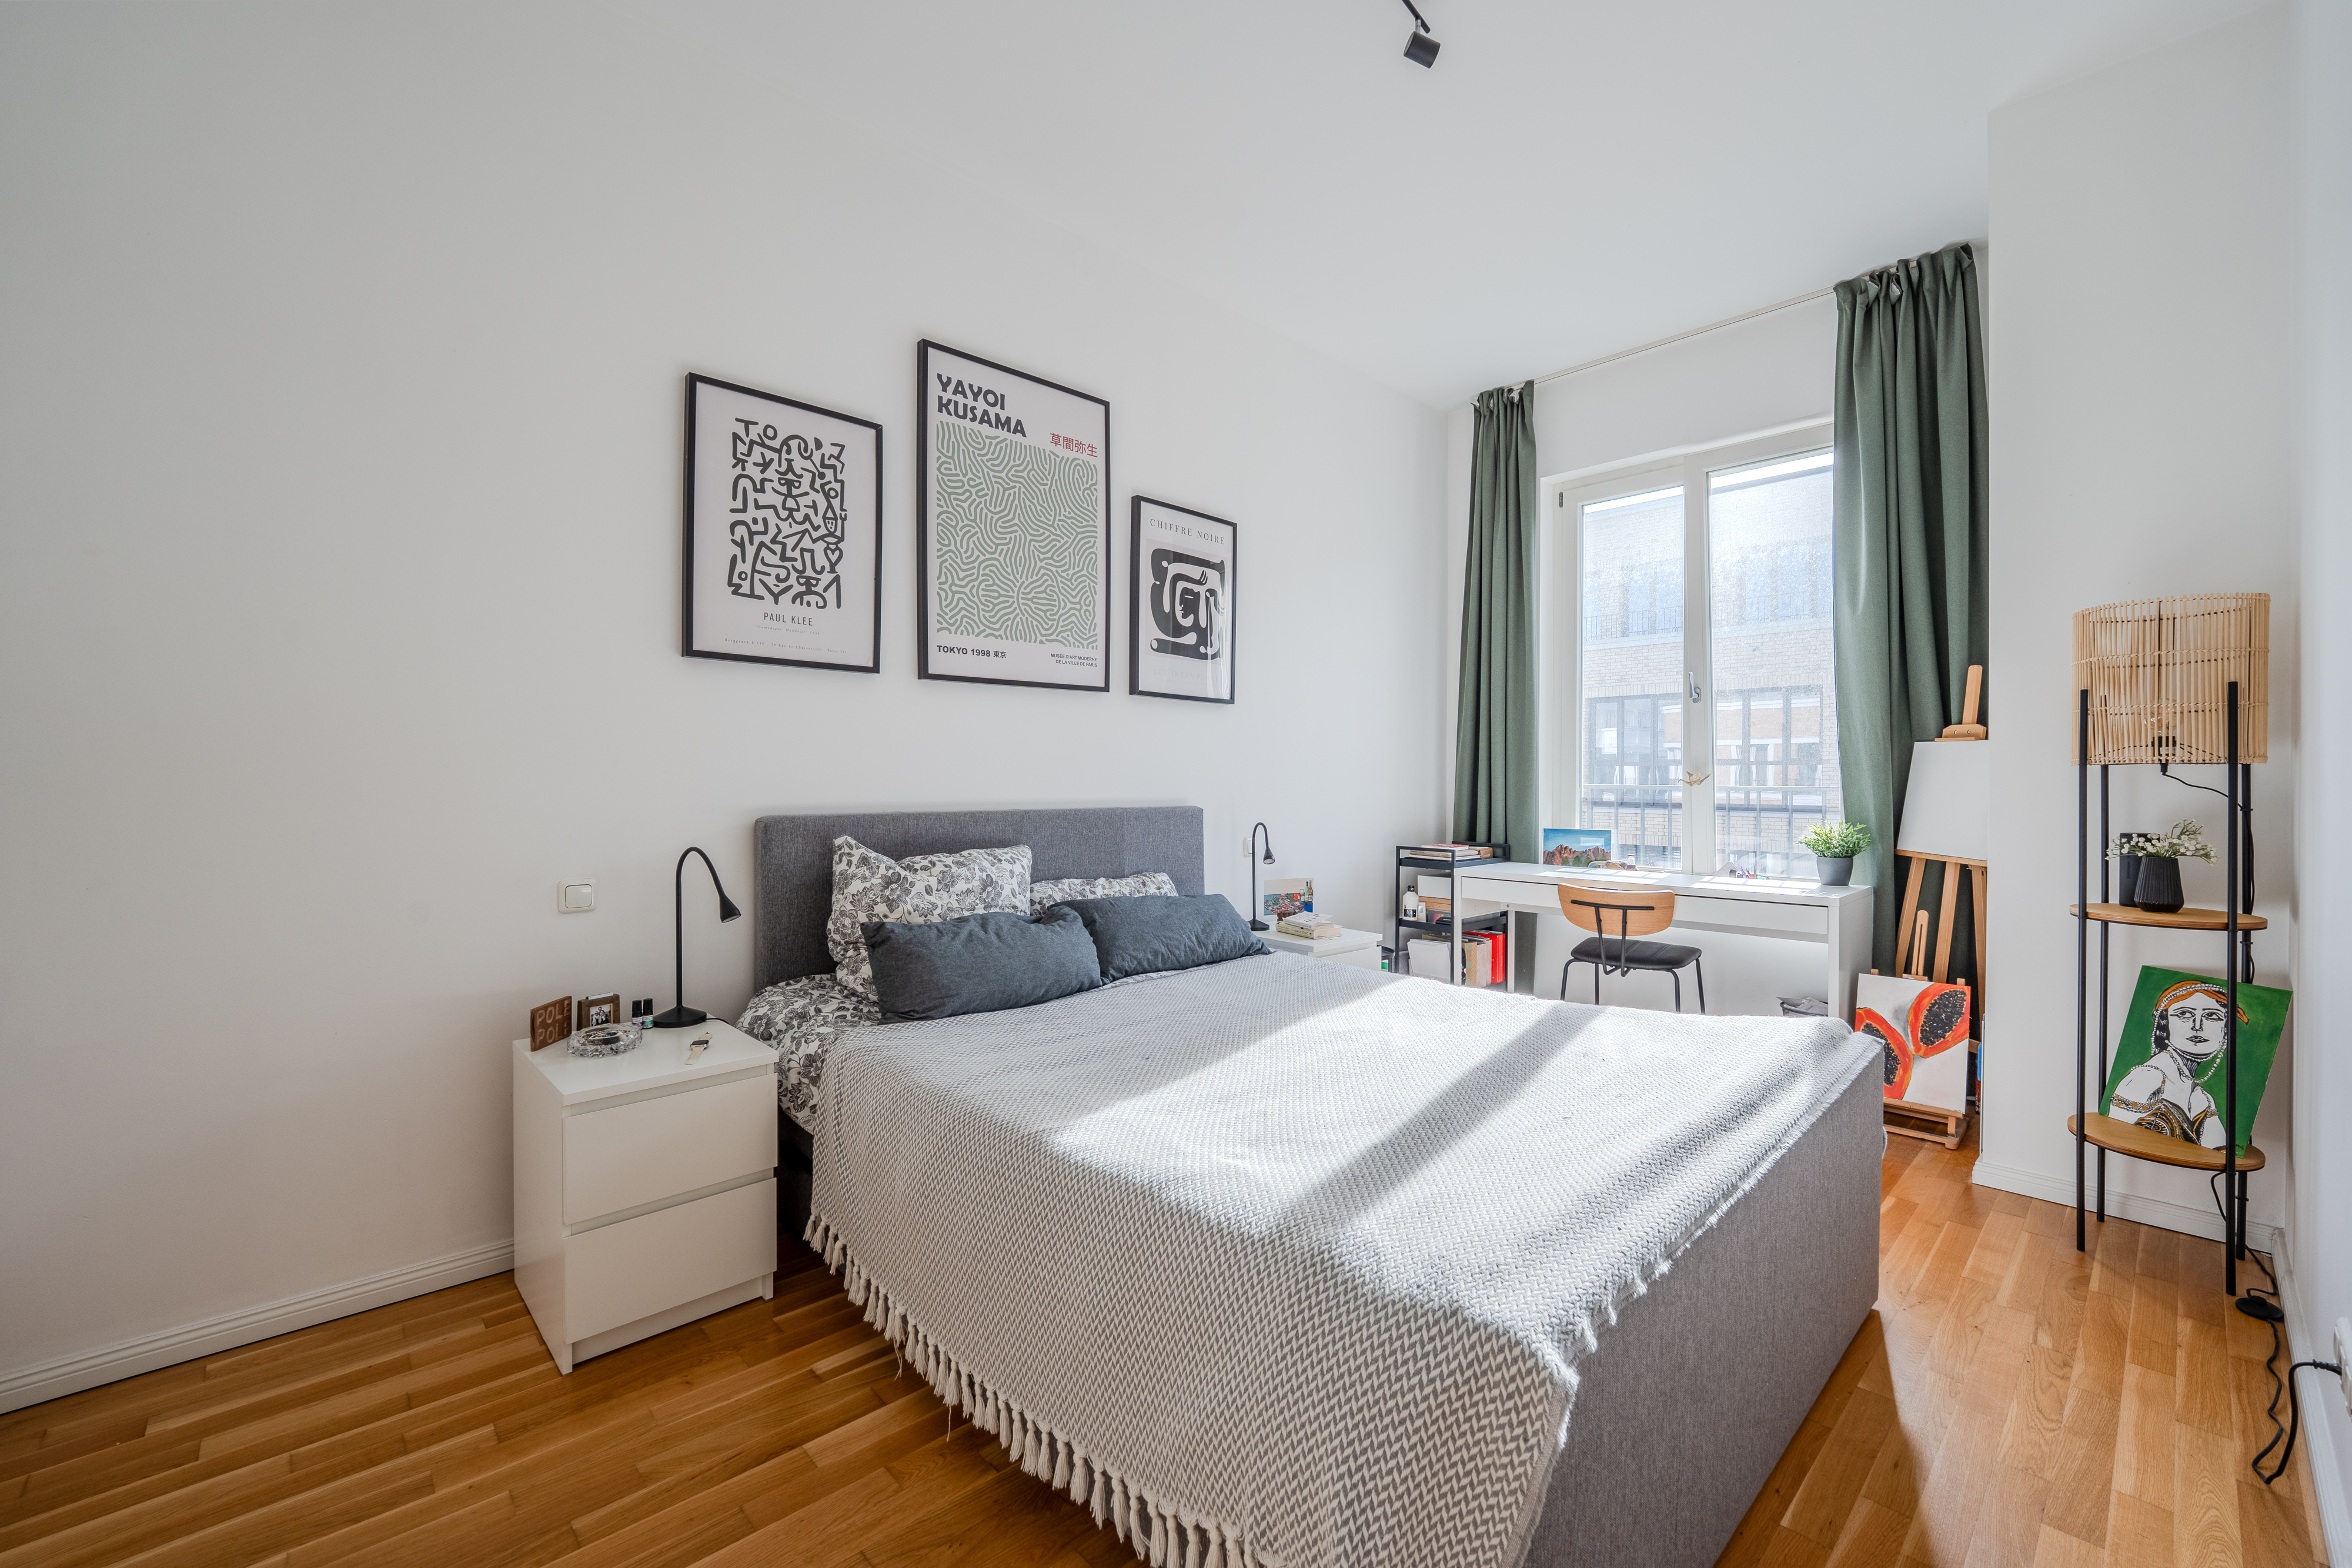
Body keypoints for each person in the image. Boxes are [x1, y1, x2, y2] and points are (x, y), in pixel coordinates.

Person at [2107, 978, 2243, 1148]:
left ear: (2225, 1028)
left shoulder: (2203, 1097)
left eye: (2211, 1016)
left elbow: (2218, 1152)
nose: (2198, 1026)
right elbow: (2115, 1138)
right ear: (2165, 1024)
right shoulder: (2147, 1078)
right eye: (2184, 1014)